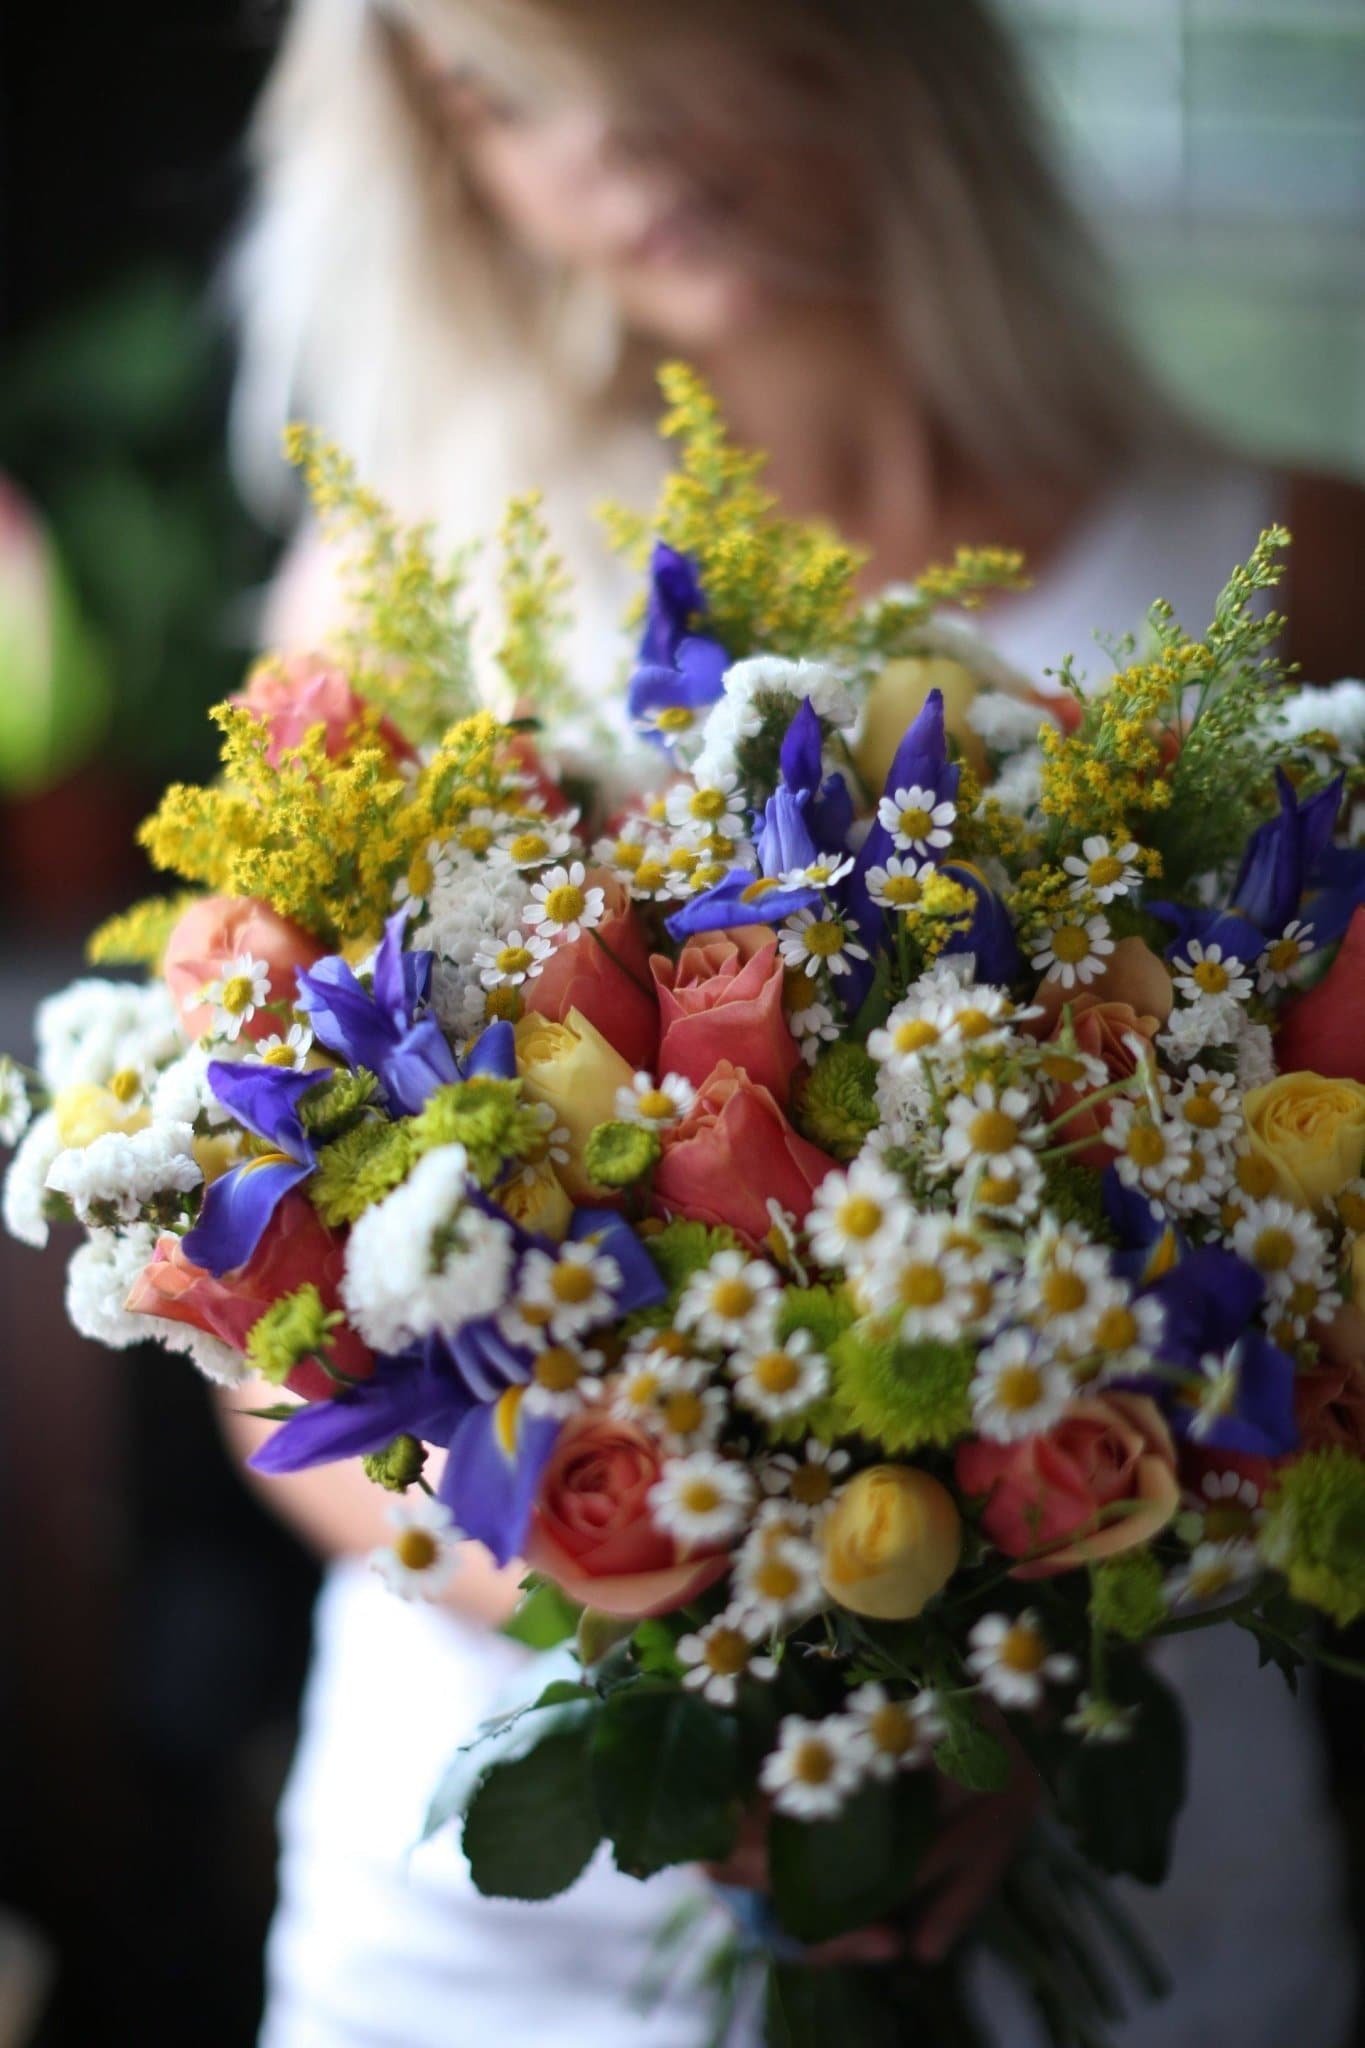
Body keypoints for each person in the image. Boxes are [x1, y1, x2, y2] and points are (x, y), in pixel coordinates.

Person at [221, 1, 1365, 2042]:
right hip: (502, 1874)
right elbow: (263, 1336)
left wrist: (1006, 1684)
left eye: (661, 62)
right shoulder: (403, 596)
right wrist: (705, 1680)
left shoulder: (1287, 562)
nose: (616, 163)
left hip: (1129, 1825)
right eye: (502, 99)